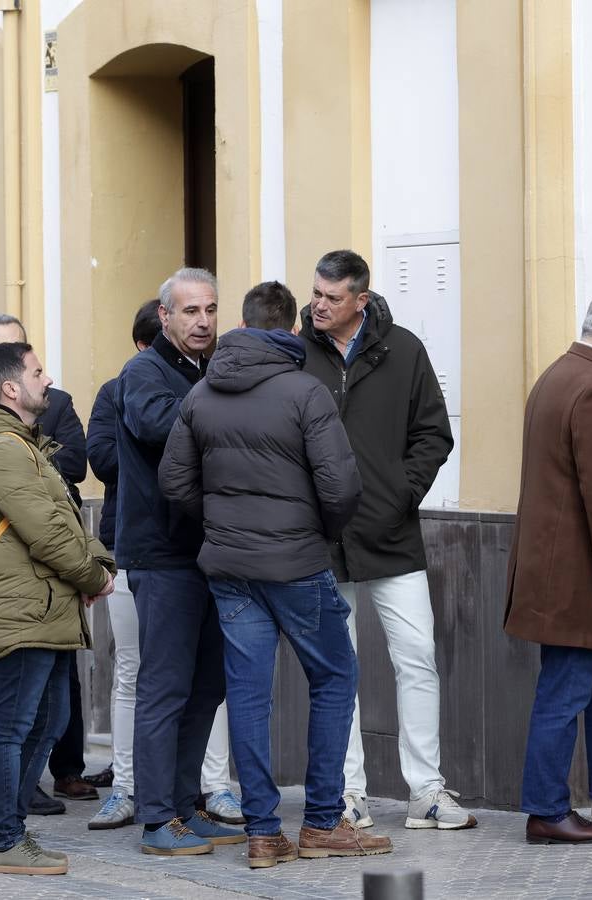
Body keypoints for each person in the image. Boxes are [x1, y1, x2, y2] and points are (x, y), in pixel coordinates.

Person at [161, 280, 390, 867]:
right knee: (336, 679)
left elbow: (175, 483)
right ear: (292, 330)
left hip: (229, 567)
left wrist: (222, 523)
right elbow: (342, 488)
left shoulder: (202, 393)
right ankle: (319, 823)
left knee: (247, 694)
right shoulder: (305, 392)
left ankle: (263, 831)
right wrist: (321, 534)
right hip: (296, 564)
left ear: (241, 322)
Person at [299, 249, 469, 831]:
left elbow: (433, 433)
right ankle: (348, 793)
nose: (318, 304)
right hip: (321, 539)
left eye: (332, 296)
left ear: (361, 300)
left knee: (417, 658)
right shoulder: (296, 353)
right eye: (315, 293)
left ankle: (426, 791)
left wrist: (400, 494)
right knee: (337, 669)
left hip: (393, 537)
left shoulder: (404, 351)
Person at [0, 341, 115, 875]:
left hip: (45, 600)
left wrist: (98, 565)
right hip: (22, 604)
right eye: (37, 372)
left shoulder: (21, 444)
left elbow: (63, 513)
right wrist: (91, 574)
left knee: (49, 719)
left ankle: (11, 831)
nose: (47, 381)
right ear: (10, 388)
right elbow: (44, 529)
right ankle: (3, 838)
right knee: (13, 724)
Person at [86, 300, 242, 830]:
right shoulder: (142, 371)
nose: (203, 321)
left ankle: (183, 804)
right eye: (191, 311)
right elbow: (156, 425)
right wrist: (223, 410)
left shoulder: (209, 368)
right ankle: (156, 818)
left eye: (211, 310)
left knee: (205, 688)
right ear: (166, 315)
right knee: (163, 686)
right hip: (161, 553)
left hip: (211, 550)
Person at [504, 297, 592, 844]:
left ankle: (551, 807)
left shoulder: (559, 374)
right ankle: (546, 809)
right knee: (564, 693)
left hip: (558, 573)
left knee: (574, 690)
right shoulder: (589, 388)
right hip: (574, 581)